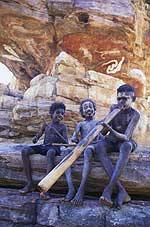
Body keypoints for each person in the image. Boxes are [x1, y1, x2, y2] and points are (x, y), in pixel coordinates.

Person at [95, 84, 140, 208]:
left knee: (126, 146)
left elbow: (126, 137)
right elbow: (104, 133)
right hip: (112, 141)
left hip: (124, 141)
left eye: (125, 99)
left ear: (133, 99)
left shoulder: (135, 114)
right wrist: (103, 125)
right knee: (99, 147)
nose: (121, 102)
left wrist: (110, 129)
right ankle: (122, 191)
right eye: (119, 99)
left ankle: (109, 189)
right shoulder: (113, 109)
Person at [19, 102, 68, 199]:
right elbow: (39, 135)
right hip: (44, 146)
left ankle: (45, 188)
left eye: (62, 114)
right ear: (51, 113)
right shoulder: (46, 125)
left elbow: (66, 143)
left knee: (51, 153)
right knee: (25, 151)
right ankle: (30, 184)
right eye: (58, 112)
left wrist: (57, 133)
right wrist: (35, 139)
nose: (60, 115)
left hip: (54, 148)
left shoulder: (63, 127)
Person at [63, 98, 104, 204]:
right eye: (85, 108)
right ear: (82, 112)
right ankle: (71, 188)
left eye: (90, 107)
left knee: (88, 151)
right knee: (65, 153)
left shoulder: (98, 123)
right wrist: (73, 142)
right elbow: (74, 139)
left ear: (94, 110)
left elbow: (102, 137)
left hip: (92, 147)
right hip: (81, 147)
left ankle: (81, 189)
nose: (88, 109)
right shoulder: (80, 124)